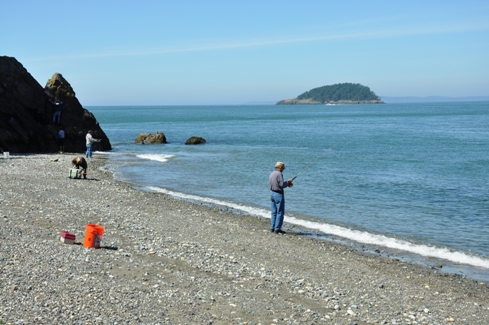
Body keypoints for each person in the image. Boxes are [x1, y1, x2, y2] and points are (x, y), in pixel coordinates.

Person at [269, 161, 293, 234]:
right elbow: (282, 185)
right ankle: (277, 229)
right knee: (280, 212)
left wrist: (287, 184)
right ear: (280, 167)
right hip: (278, 195)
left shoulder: (272, 173)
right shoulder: (279, 174)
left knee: (274, 212)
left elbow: (277, 184)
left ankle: (272, 228)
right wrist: (288, 182)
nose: (283, 169)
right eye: (283, 168)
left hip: (272, 194)